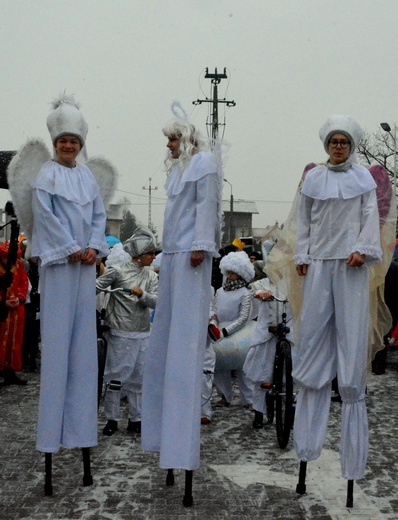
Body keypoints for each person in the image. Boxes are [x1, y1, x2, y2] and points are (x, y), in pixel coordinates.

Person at [292, 115, 382, 483]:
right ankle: (307, 442)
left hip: (350, 265)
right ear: (326, 145)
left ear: (352, 146)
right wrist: (302, 254)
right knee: (313, 337)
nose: (339, 147)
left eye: (344, 142)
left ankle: (352, 441)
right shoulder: (314, 179)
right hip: (319, 264)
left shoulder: (363, 181)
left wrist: (363, 248)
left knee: (350, 334)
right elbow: (305, 219)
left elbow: (368, 215)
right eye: (334, 142)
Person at [28, 95, 109, 454]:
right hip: (61, 265)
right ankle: (50, 435)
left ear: (80, 144)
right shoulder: (47, 174)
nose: (67, 146)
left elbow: (97, 216)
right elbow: (45, 216)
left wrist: (93, 245)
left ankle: (81, 433)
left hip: (84, 266)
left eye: (73, 141)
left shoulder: (87, 176)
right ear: (55, 143)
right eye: (63, 141)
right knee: (59, 345)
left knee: (82, 350)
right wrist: (68, 247)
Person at [141, 112, 221, 471]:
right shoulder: (176, 170)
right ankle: (162, 430)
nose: (169, 145)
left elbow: (206, 206)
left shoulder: (202, 162)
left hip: (192, 252)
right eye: (168, 140)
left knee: (186, 337)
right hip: (173, 252)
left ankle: (183, 434)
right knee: (166, 336)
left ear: (187, 139)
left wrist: (200, 244)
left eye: (173, 139)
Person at [96, 227, 158, 436]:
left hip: (142, 333)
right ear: (139, 255)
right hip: (119, 333)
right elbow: (95, 287)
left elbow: (157, 301)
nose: (153, 257)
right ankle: (112, 419)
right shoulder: (117, 270)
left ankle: (136, 419)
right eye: (150, 253)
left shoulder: (151, 276)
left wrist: (143, 295)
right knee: (115, 377)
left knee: (138, 379)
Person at [243, 277, 293, 429]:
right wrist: (261, 293)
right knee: (261, 373)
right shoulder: (263, 283)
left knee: (290, 375)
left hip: (288, 328)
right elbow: (253, 290)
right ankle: (259, 413)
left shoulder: (292, 281)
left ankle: (290, 412)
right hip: (266, 332)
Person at [209, 250, 254, 408]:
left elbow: (243, 318)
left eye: (233, 273)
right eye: (228, 272)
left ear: (241, 275)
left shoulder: (245, 293)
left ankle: (249, 398)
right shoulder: (220, 291)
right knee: (219, 365)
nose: (230, 276)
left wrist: (227, 331)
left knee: (243, 367)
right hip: (220, 331)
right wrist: (214, 324)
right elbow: (214, 310)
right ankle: (224, 396)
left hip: (240, 333)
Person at [0, 242, 29, 385]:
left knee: (15, 341)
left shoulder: (18, 265)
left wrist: (20, 298)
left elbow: (24, 282)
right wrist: (2, 301)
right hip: (2, 310)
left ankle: (10, 371)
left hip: (17, 310)